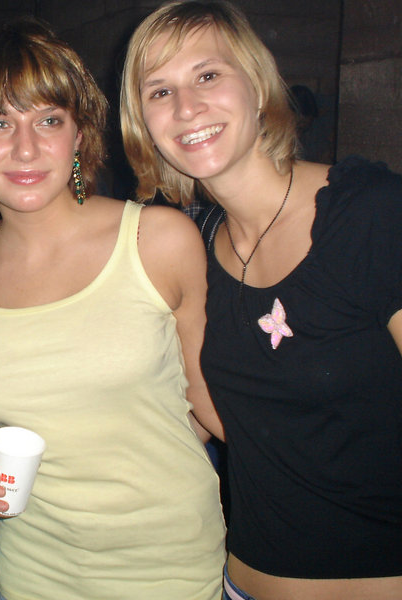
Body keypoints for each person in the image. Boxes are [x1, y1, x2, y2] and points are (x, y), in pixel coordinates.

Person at [0, 20, 226, 600]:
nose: (26, 148)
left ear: (79, 134)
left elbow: (217, 407)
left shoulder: (157, 240)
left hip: (168, 563)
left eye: (48, 120)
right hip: (33, 567)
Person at [119, 2, 402, 599]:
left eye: (207, 75)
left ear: (257, 85)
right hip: (240, 582)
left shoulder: (370, 212)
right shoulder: (193, 248)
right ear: (142, 122)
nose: (186, 107)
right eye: (159, 90)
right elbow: (213, 418)